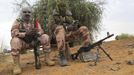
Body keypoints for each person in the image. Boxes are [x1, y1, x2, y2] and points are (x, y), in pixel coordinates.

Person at [10, 6, 55, 75]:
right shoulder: (18, 21)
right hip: (23, 42)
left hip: (34, 41)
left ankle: (47, 59)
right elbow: (13, 33)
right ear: (21, 13)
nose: (27, 14)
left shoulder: (34, 21)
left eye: (29, 12)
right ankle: (16, 65)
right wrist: (25, 34)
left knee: (45, 37)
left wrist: (37, 33)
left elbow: (41, 30)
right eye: (24, 12)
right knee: (14, 41)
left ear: (31, 13)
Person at [48, 1, 91, 66]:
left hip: (68, 35)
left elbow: (73, 24)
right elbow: (51, 27)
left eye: (64, 6)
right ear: (58, 8)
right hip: (57, 36)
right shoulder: (52, 16)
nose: (63, 8)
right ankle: (61, 55)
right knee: (60, 28)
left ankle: (85, 48)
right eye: (61, 7)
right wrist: (66, 27)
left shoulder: (69, 16)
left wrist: (75, 26)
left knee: (84, 28)